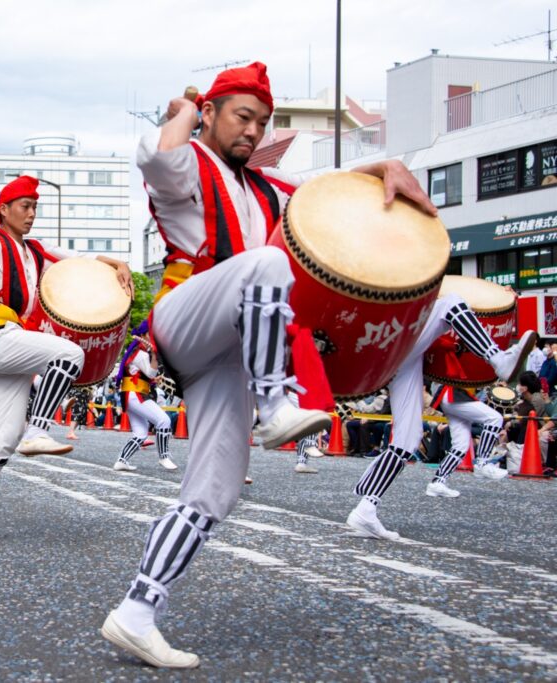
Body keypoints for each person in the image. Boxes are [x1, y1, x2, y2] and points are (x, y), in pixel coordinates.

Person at [99, 62, 440, 669]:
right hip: (187, 313)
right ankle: (279, 401)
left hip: (234, 347)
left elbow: (325, 190)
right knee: (268, 265)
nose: (254, 132)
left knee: (214, 493)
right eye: (242, 117)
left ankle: (136, 612)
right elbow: (155, 155)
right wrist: (184, 108)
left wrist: (386, 166)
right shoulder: (188, 163)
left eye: (263, 122)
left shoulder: (268, 188)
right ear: (210, 113)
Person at [0, 176, 133, 546]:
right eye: (25, 206)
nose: (31, 214)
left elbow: (82, 262)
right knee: (69, 352)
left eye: (34, 207)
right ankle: (38, 429)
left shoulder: (37, 251)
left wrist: (118, 263)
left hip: (14, 348)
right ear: (5, 209)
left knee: (1, 440)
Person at [348, 297, 534, 538]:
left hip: (396, 354)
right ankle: (498, 359)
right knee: (450, 304)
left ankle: (366, 508)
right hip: (387, 338)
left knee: (407, 440)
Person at [112, 321, 177, 472]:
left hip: (132, 394)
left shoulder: (138, 350)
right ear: (143, 335)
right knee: (164, 420)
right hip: (135, 394)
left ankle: (122, 461)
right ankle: (164, 456)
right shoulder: (140, 352)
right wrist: (154, 354)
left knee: (141, 433)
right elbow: (150, 373)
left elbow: (147, 375)